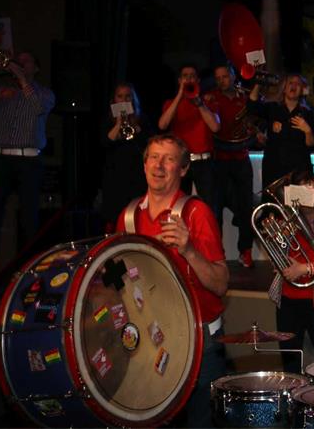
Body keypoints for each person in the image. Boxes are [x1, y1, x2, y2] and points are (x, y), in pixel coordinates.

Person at [116, 133, 228, 428]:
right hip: (151, 337)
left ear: (183, 169)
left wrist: (188, 250)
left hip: (200, 339)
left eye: (169, 159)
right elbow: (117, 278)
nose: (159, 165)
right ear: (144, 165)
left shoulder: (196, 213)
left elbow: (220, 284)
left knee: (201, 423)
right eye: (154, 157)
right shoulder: (128, 217)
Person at [0, 51, 55, 283]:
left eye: (26, 61)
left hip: (29, 161)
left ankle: (28, 273)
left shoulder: (44, 93)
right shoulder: (3, 91)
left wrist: (23, 79)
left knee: (28, 219)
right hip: (1, 159)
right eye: (18, 60)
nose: (20, 63)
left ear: (36, 68)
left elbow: (38, 107)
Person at [265, 169, 314, 374]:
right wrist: (276, 241)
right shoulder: (286, 223)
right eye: (299, 190)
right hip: (287, 299)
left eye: (310, 190)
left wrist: (305, 268)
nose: (303, 195)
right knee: (289, 362)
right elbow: (276, 258)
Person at [208, 65, 255, 268]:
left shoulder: (244, 96)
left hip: (241, 156)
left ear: (233, 76)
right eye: (218, 78)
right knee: (216, 209)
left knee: (246, 206)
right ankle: (218, 253)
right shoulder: (211, 98)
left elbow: (254, 118)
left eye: (225, 76)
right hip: (219, 158)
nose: (221, 81)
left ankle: (246, 251)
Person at [158, 65, 221, 213]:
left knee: (209, 208)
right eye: (185, 76)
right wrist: (180, 95)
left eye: (192, 76)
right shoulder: (171, 103)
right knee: (178, 206)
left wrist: (199, 103)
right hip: (181, 162)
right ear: (179, 80)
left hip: (204, 162)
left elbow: (215, 127)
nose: (188, 79)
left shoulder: (208, 102)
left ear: (198, 80)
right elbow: (162, 125)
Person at [247, 74, 314, 194]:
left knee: (298, 202)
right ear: (284, 88)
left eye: (298, 84)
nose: (294, 86)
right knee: (273, 203)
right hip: (274, 168)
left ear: (301, 90)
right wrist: (258, 82)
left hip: (298, 170)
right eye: (290, 83)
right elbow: (252, 106)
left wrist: (308, 131)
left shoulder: (309, 113)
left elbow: (312, 145)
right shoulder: (272, 108)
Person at [99, 82, 149, 232]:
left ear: (133, 99)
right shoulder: (107, 121)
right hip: (115, 179)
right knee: (115, 220)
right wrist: (118, 124)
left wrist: (136, 126)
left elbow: (149, 144)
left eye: (128, 96)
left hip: (137, 177)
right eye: (120, 96)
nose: (124, 100)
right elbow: (105, 143)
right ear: (114, 100)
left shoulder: (142, 120)